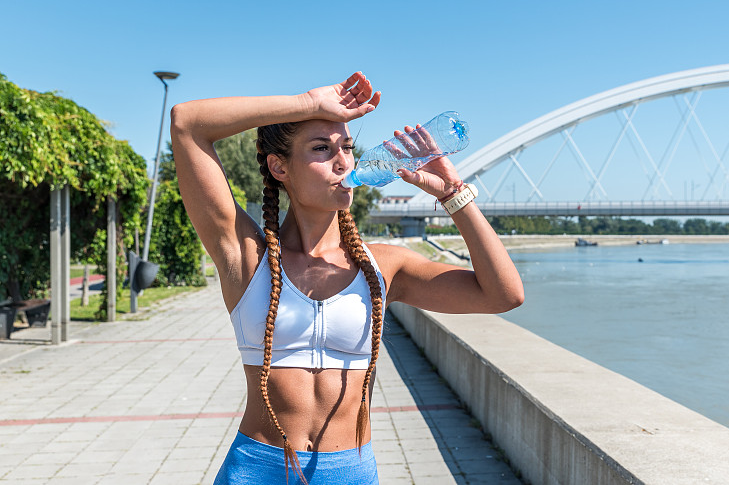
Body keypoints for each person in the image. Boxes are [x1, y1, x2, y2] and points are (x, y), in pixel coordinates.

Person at [170, 71, 524, 485]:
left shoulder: (384, 266)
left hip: (348, 473)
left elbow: (504, 295)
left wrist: (452, 194)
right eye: (322, 148)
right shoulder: (247, 256)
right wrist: (309, 103)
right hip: (256, 469)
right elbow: (187, 124)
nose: (343, 162)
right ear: (278, 166)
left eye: (348, 148)